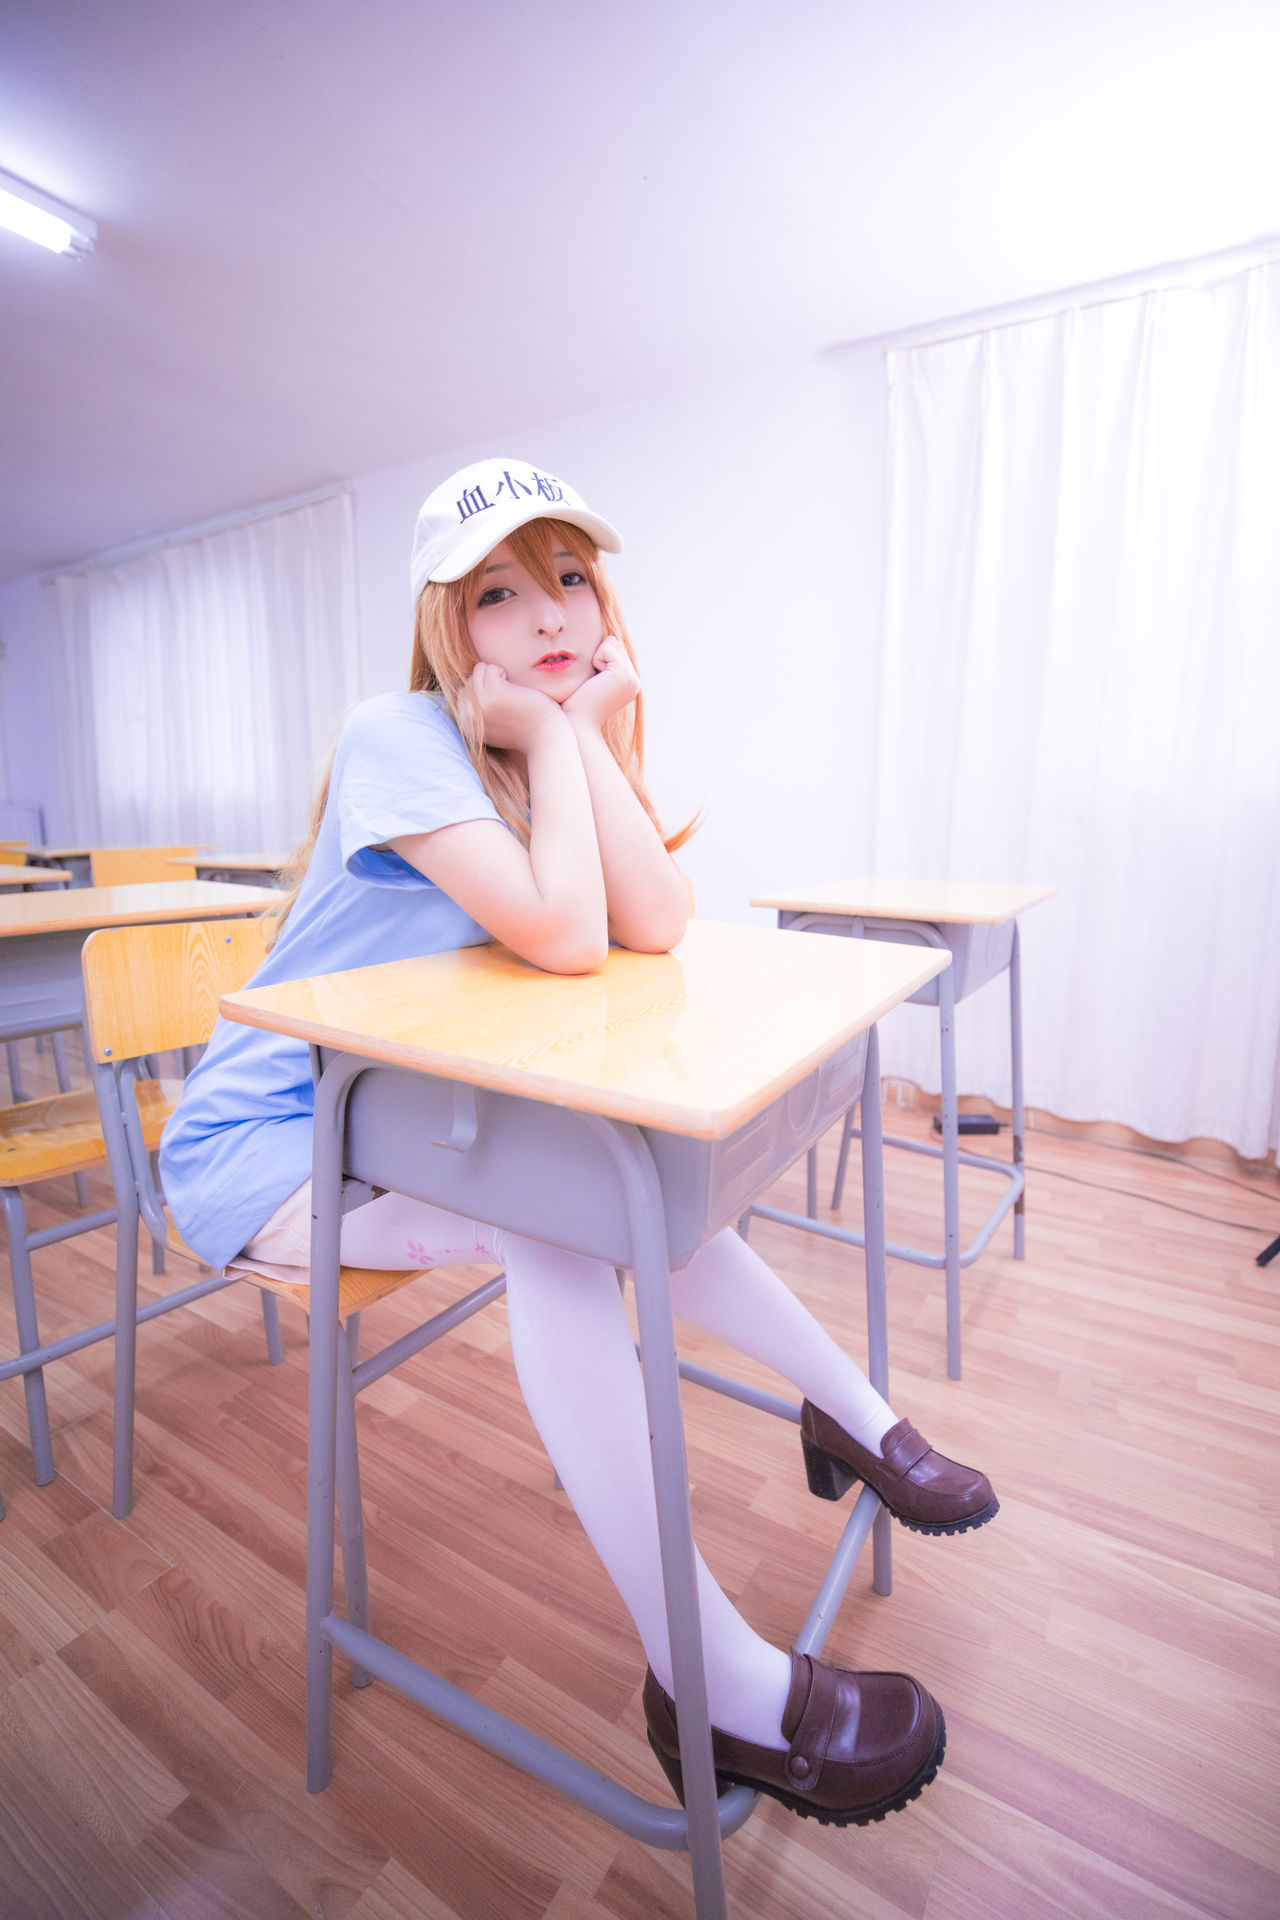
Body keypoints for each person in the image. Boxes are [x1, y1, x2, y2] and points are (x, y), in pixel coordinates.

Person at [160, 456, 997, 1826]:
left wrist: (586, 735)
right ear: (448, 625)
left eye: (568, 577)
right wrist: (562, 742)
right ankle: (711, 1681)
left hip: (395, 1124)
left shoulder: (538, 745)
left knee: (618, 1191)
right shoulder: (398, 733)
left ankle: (854, 1418)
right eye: (500, 591)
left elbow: (654, 922)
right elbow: (562, 935)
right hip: (273, 1146)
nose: (549, 612)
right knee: (559, 1219)